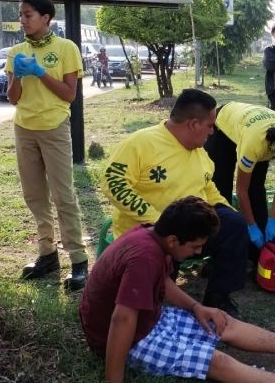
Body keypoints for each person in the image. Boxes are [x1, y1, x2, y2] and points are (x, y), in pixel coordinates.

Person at [79, 196, 275, 383]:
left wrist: (196, 307)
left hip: (147, 318)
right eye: (196, 247)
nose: (198, 253)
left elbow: (161, 282)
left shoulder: (154, 235)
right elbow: (122, 320)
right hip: (124, 339)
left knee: (220, 321)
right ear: (174, 240)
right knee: (216, 361)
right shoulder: (144, 256)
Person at [100, 89, 248, 318]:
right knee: (151, 299)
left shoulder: (201, 153)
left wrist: (223, 210)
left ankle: (218, 298)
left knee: (235, 224)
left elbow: (208, 187)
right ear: (192, 124)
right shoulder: (142, 142)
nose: (213, 131)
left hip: (190, 228)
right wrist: (156, 220)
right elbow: (113, 182)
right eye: (210, 125)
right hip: (154, 233)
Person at [5, 0, 89, 290]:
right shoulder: (15, 51)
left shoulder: (66, 48)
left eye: (28, 14)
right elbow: (12, 98)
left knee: (62, 194)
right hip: (24, 127)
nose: (23, 20)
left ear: (45, 17)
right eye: (21, 15)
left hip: (54, 127)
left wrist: (40, 72)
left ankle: (78, 260)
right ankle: (47, 254)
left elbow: (69, 94)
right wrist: (16, 74)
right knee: (34, 194)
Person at [205, 102, 275, 250]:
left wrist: (272, 220)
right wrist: (251, 226)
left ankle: (256, 253)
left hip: (258, 131)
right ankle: (218, 247)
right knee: (222, 189)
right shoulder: (255, 145)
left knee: (256, 191)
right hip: (225, 126)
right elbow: (241, 189)